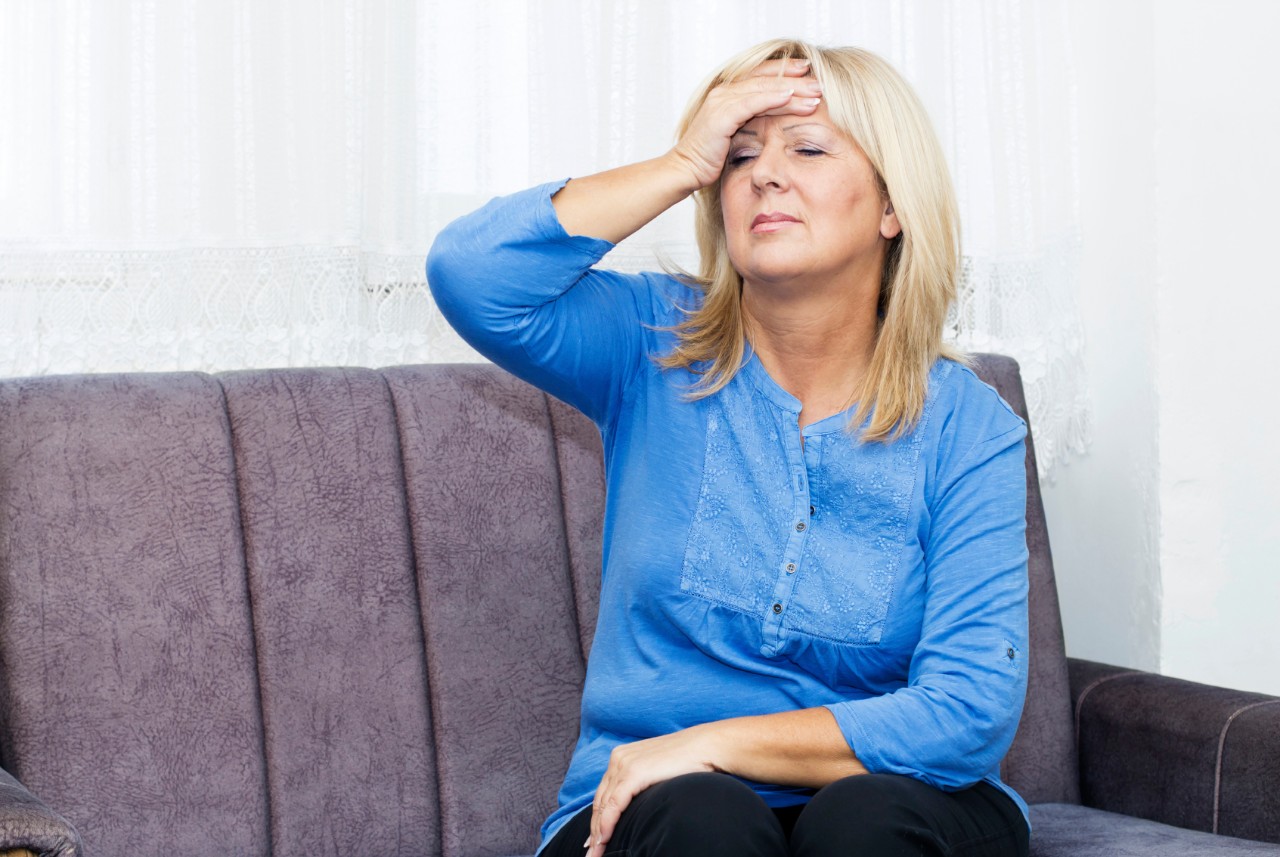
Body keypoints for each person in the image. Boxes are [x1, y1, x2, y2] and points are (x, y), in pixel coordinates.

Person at [427, 38, 1031, 857]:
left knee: (863, 821)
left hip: (894, 802)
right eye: (739, 155)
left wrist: (714, 742)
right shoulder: (651, 349)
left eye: (807, 148)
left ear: (893, 207)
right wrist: (682, 161)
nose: (763, 174)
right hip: (657, 811)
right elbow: (472, 272)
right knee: (705, 817)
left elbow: (968, 709)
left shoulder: (969, 426)